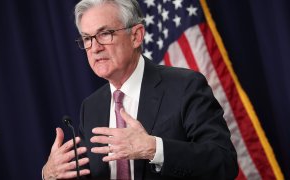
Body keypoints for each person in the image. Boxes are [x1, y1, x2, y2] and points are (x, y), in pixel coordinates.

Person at [42, 0, 239, 179]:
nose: (94, 48)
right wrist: (50, 174)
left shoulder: (185, 86)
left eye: (104, 34)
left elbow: (224, 163)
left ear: (136, 36)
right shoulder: (91, 106)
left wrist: (154, 149)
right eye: (87, 38)